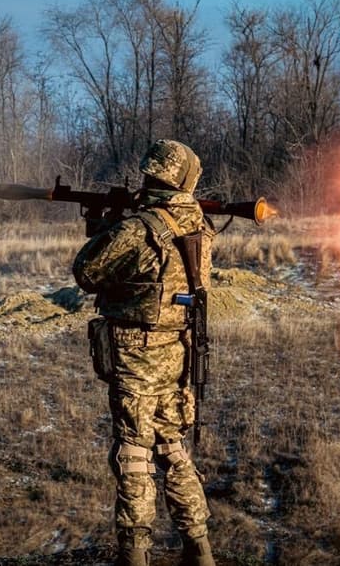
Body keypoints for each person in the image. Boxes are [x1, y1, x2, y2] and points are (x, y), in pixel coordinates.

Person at [73, 139, 217, 566]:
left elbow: (87, 272)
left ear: (151, 174)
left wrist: (106, 226)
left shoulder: (139, 228)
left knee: (134, 454)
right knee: (172, 447)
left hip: (136, 352)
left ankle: (135, 554)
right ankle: (199, 548)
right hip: (177, 349)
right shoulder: (200, 227)